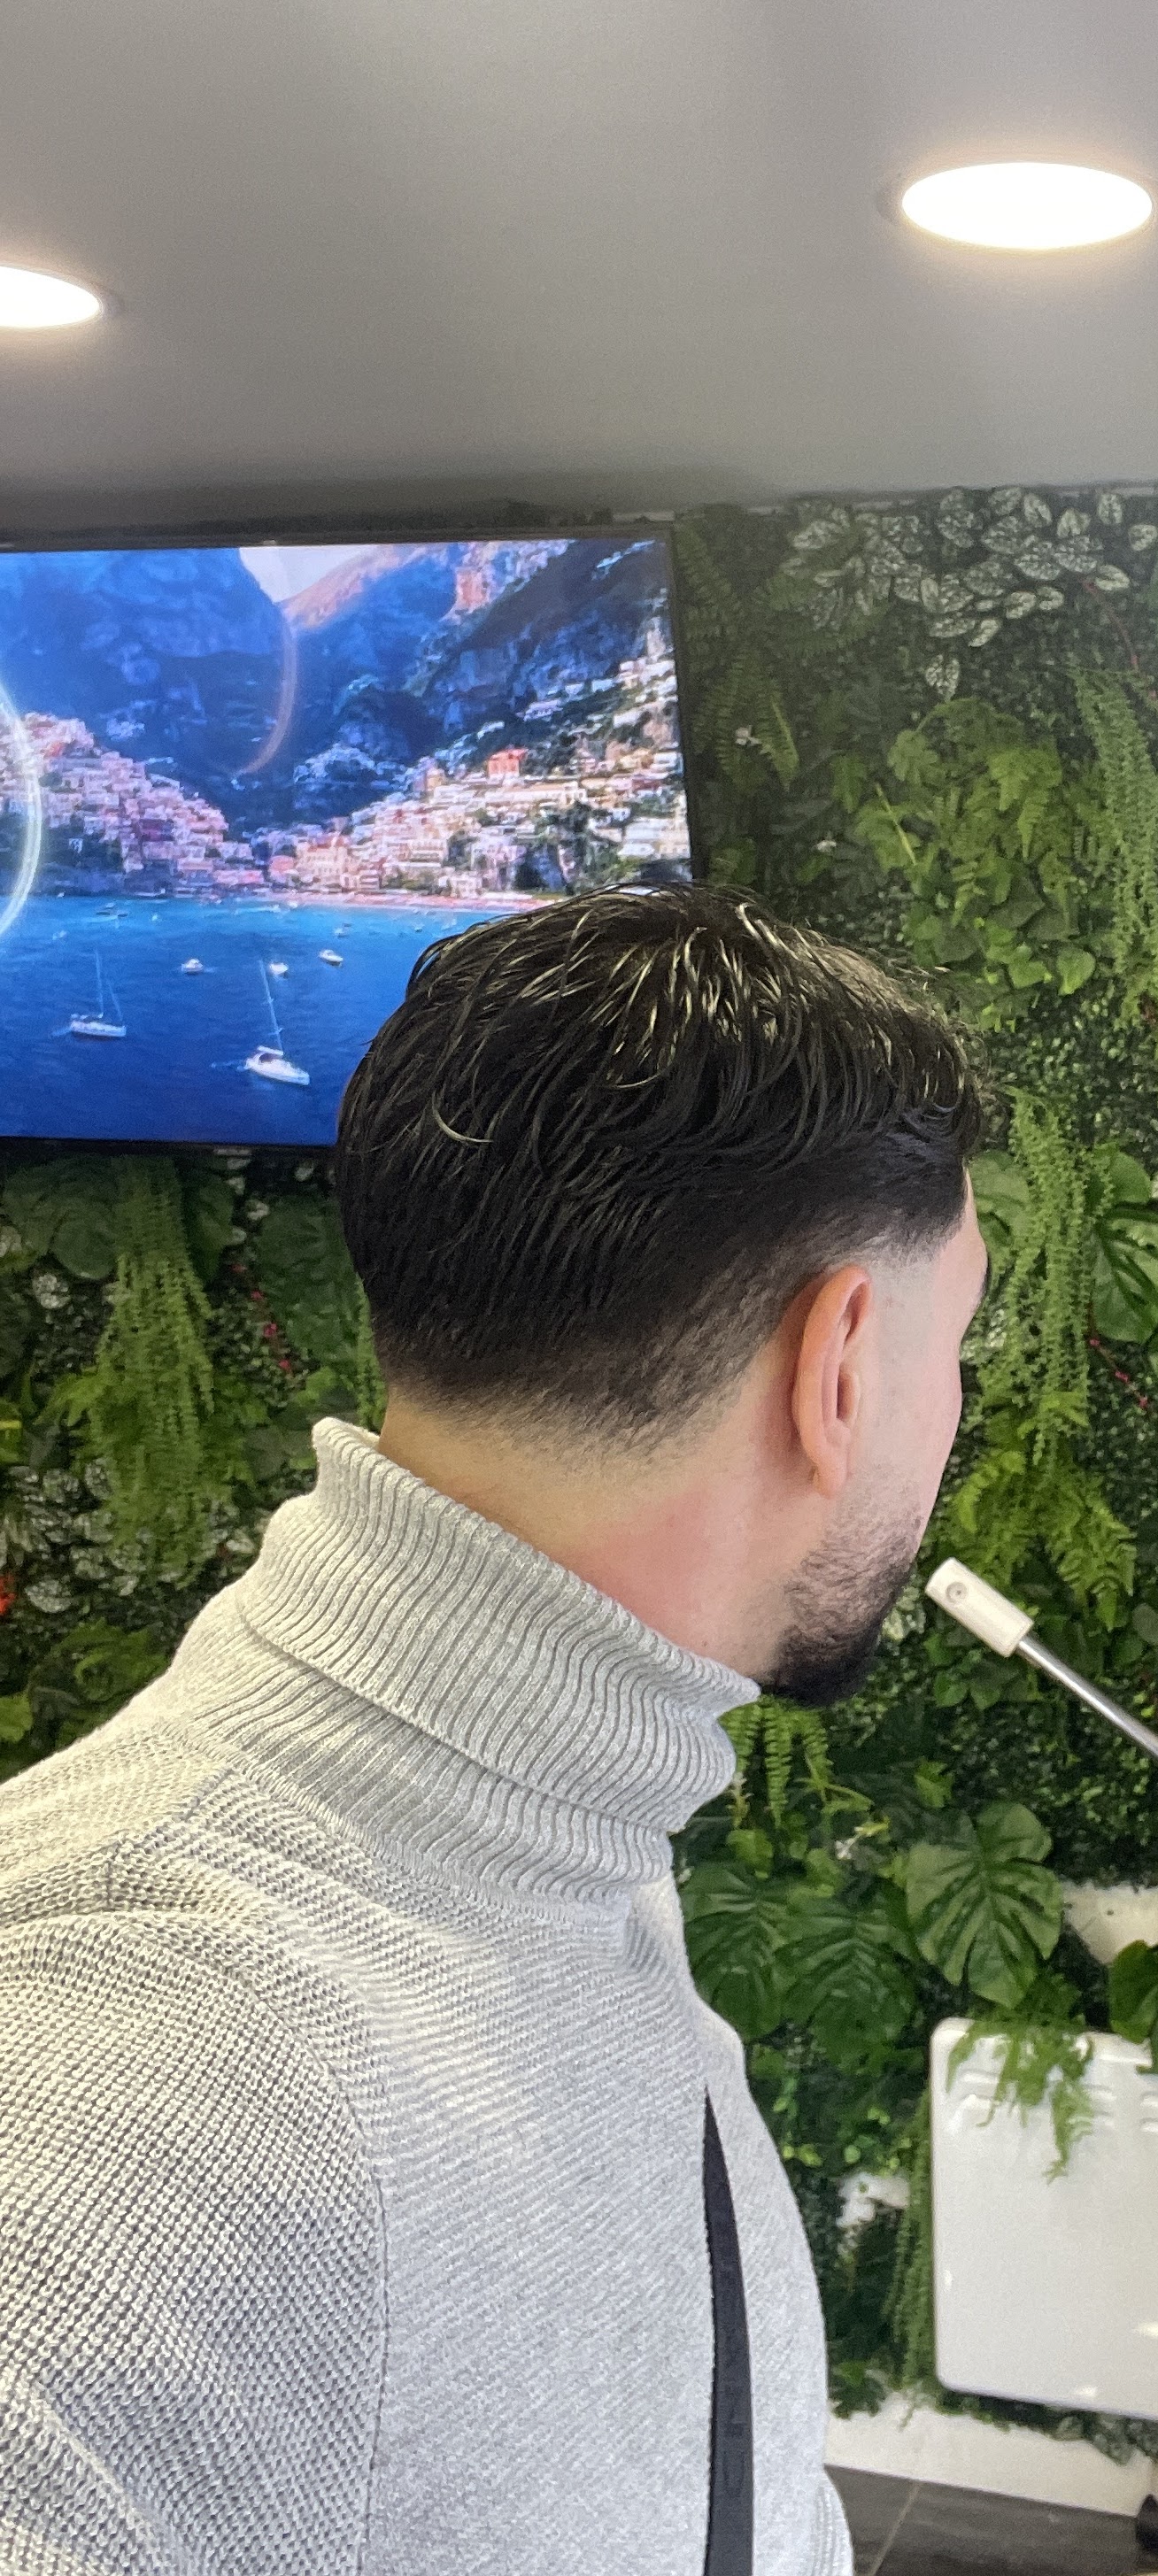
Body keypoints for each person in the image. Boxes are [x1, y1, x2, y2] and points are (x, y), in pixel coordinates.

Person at [0, 886, 991, 2576]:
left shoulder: (538, 1836)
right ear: (836, 1369)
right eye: (953, 1343)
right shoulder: (141, 2074)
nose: (950, 1414)